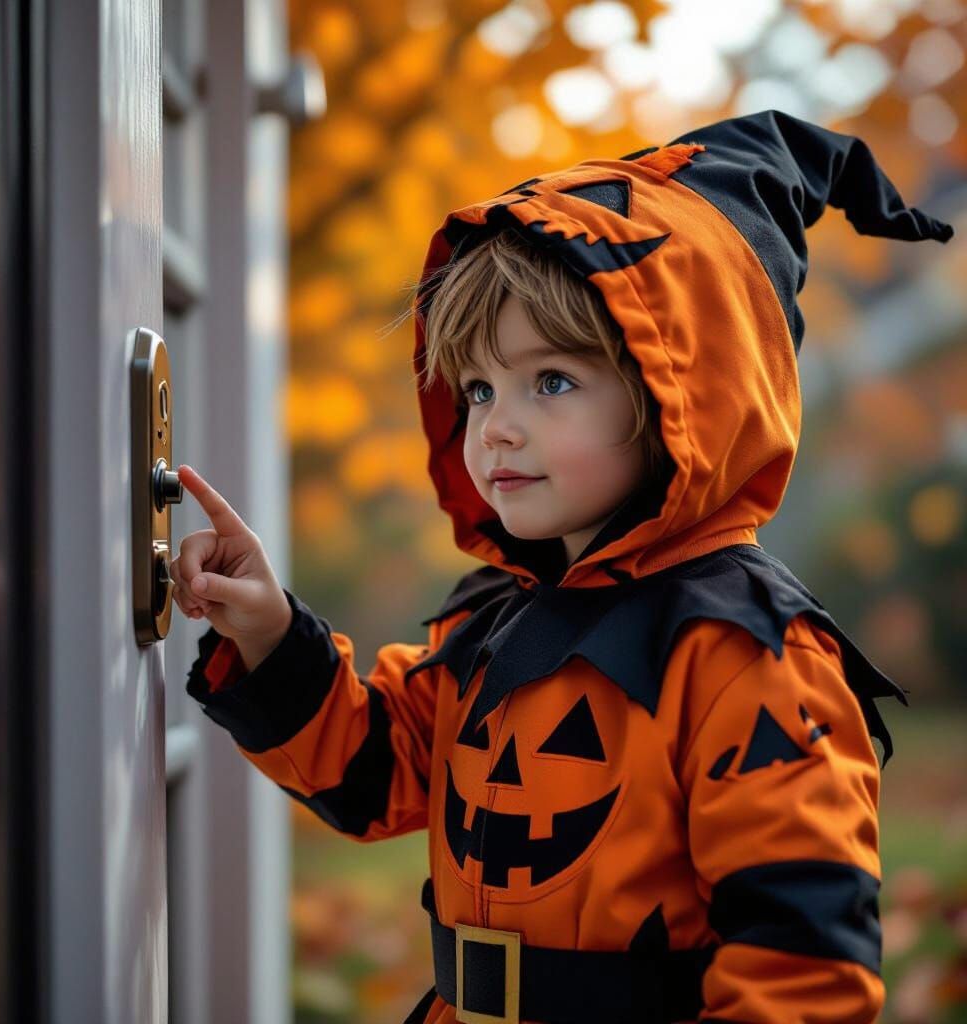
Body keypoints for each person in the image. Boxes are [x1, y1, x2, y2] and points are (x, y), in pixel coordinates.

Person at [173, 109, 953, 1024]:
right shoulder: (494, 623)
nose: (496, 426)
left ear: (682, 394)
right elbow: (376, 768)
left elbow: (799, 972)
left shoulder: (748, 657)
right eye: (477, 389)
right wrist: (266, 630)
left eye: (552, 382)